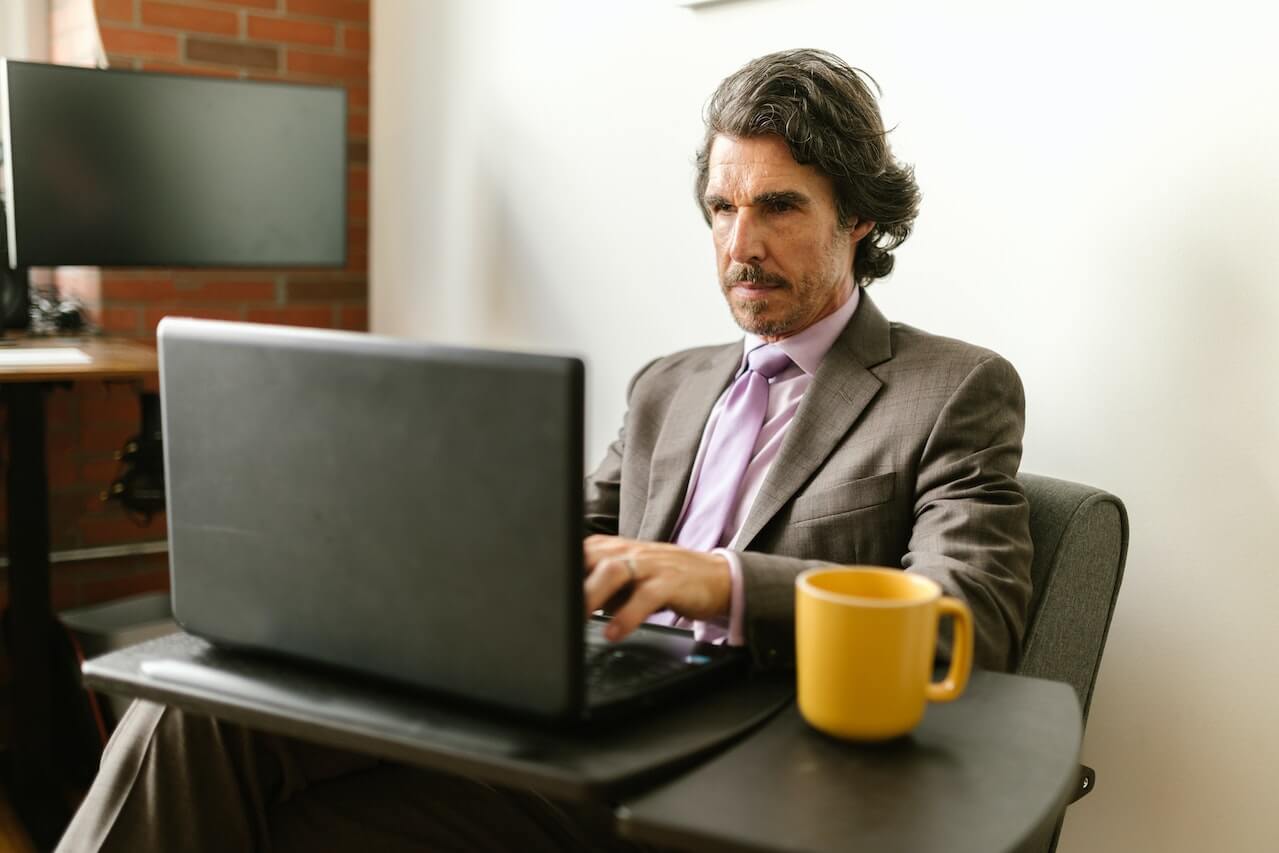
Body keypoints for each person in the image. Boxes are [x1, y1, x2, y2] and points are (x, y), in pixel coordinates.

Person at [57, 49, 1032, 852]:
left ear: (858, 217)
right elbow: (560, 538)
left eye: (777, 206)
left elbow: (969, 623)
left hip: (736, 766)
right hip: (570, 720)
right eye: (721, 207)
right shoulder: (669, 384)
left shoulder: (950, 390)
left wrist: (720, 580)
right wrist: (381, 549)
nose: (741, 242)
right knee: (199, 711)